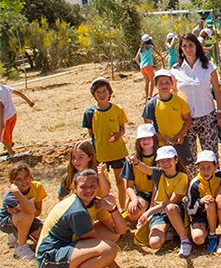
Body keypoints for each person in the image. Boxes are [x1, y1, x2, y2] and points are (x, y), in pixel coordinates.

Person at [36, 169, 123, 268]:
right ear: (74, 188)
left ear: (98, 187)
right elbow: (97, 244)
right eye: (83, 187)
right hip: (49, 258)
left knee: (111, 234)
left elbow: (120, 230)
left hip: (67, 245)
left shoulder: (93, 203)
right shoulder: (77, 211)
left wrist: (113, 209)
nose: (89, 190)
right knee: (108, 250)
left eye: (92, 186)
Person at [171, 33, 221, 168]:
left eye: (191, 45)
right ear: (181, 49)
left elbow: (217, 91)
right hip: (186, 119)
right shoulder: (176, 70)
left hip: (207, 117)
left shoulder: (208, 66)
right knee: (189, 158)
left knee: (211, 155)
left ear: (196, 47)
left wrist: (220, 112)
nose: (188, 49)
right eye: (184, 46)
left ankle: (213, 185)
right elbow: (174, 94)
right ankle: (193, 186)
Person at [132, 145, 192, 256]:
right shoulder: (159, 173)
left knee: (170, 208)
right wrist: (136, 162)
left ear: (176, 160)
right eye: (162, 161)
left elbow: (171, 201)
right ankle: (171, 229)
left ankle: (185, 241)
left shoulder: (182, 176)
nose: (166, 164)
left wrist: (149, 211)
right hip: (159, 212)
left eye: (168, 160)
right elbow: (146, 169)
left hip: (175, 210)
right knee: (155, 243)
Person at [82, 77, 129, 210]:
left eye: (104, 91)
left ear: (110, 92)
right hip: (100, 154)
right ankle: (105, 210)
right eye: (98, 92)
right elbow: (91, 134)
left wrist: (117, 135)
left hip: (118, 152)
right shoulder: (89, 113)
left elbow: (122, 128)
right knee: (102, 185)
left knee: (120, 182)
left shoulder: (118, 109)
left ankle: (122, 209)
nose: (102, 95)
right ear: (94, 95)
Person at [143, 69, 193, 167]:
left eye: (167, 82)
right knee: (167, 168)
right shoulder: (152, 104)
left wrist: (181, 135)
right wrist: (162, 138)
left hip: (180, 142)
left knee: (185, 168)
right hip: (162, 144)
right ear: (156, 85)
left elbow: (188, 119)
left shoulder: (179, 101)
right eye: (161, 83)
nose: (164, 85)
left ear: (171, 84)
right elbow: (148, 127)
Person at [0, 162, 46, 259]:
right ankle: (21, 247)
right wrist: (17, 192)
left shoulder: (37, 187)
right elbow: (30, 211)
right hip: (6, 223)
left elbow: (37, 212)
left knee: (44, 239)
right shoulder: (11, 194)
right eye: (18, 179)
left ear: (31, 176)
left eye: (26, 177)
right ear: (12, 182)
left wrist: (24, 209)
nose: (24, 181)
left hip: (27, 218)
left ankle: (17, 234)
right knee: (25, 214)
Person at [187, 150, 221, 253]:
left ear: (215, 166)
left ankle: (213, 236)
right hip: (200, 216)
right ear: (197, 167)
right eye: (202, 167)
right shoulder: (195, 184)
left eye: (209, 167)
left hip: (217, 213)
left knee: (211, 203)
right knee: (198, 239)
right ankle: (203, 229)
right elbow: (190, 210)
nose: (206, 171)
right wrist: (200, 202)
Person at [122, 124, 157, 224]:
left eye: (148, 138)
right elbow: (129, 186)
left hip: (159, 194)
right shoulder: (132, 160)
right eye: (142, 139)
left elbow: (157, 185)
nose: (145, 141)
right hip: (142, 194)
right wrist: (134, 200)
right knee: (133, 212)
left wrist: (151, 207)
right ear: (138, 141)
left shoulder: (161, 158)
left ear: (154, 139)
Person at [0, 84, 34, 155]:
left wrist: (2, 121)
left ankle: (12, 154)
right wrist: (29, 101)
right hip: (13, 114)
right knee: (7, 135)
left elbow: (1, 106)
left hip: (6, 118)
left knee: (3, 138)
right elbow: (18, 92)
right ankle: (10, 147)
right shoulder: (4, 87)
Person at [135, 34, 165, 100]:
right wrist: (162, 57)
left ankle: (146, 96)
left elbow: (136, 58)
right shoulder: (150, 46)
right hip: (148, 66)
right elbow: (158, 53)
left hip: (142, 67)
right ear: (149, 40)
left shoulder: (141, 49)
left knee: (147, 82)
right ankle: (150, 97)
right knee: (153, 81)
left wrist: (140, 64)